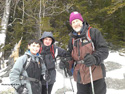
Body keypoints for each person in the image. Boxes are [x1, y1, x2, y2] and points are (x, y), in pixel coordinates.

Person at [66, 11, 109, 94]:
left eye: (77, 21)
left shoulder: (93, 32)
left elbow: (104, 50)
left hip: (96, 73)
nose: (76, 24)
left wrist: (94, 58)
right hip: (80, 76)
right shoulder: (72, 39)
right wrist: (67, 62)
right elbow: (69, 55)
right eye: (73, 22)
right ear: (71, 25)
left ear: (81, 21)